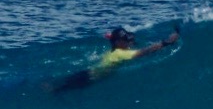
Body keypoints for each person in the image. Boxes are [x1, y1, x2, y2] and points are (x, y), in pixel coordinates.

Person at [50, 25, 180, 91]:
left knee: (61, 86)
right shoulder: (120, 53)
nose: (128, 43)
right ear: (118, 42)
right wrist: (167, 42)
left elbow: (116, 38)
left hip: (89, 72)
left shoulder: (115, 49)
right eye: (125, 41)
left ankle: (50, 87)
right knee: (60, 90)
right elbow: (144, 52)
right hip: (90, 77)